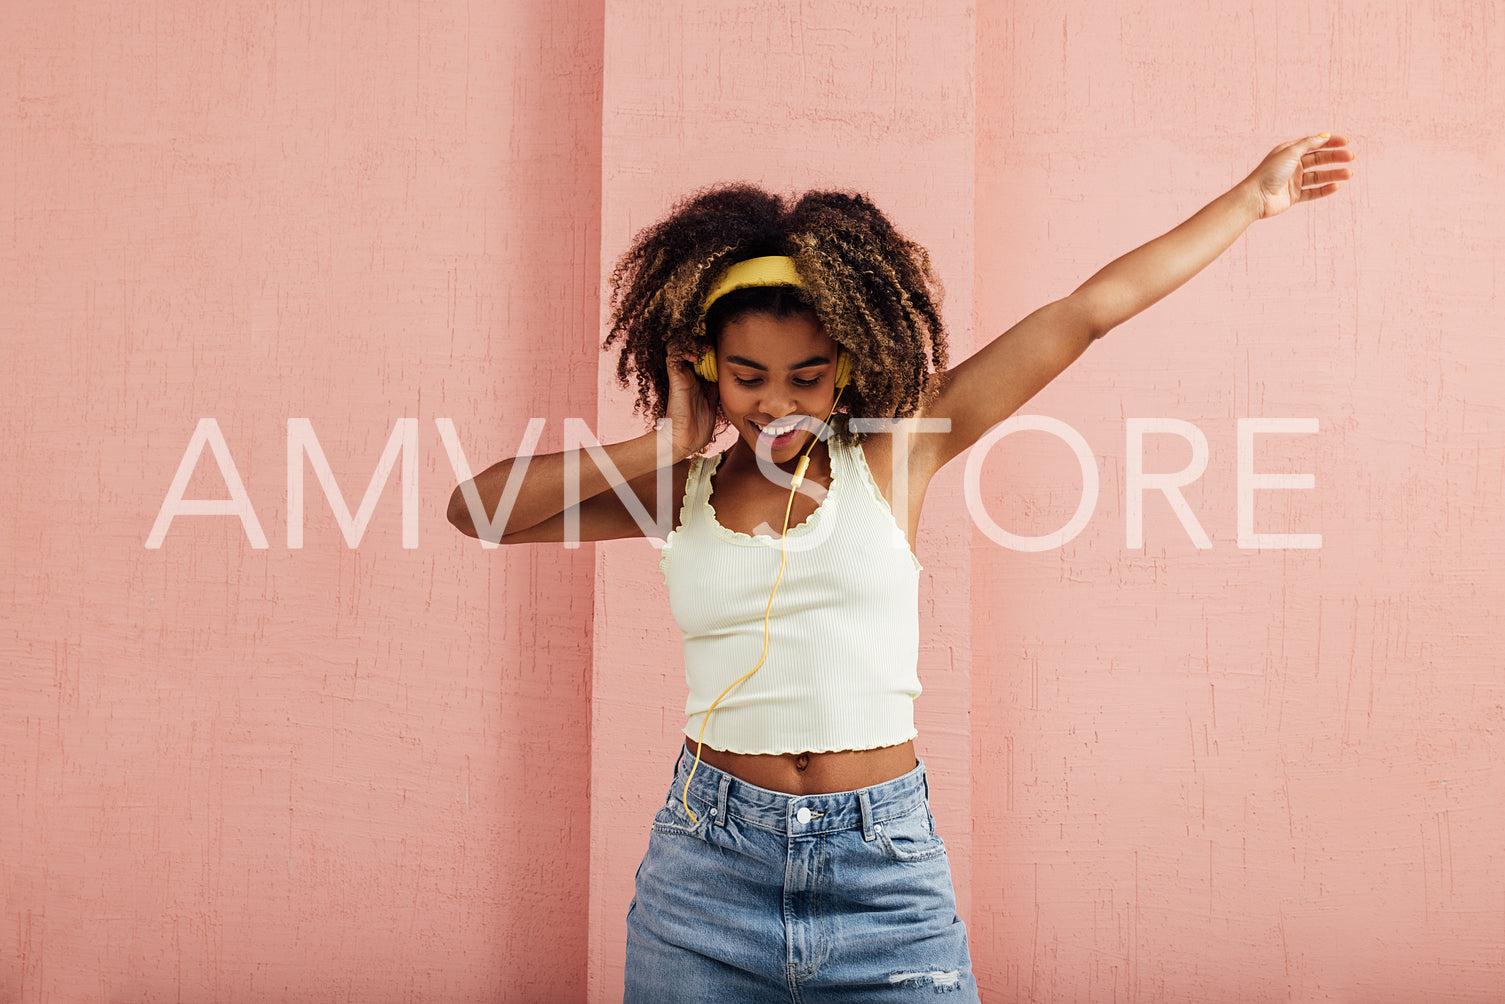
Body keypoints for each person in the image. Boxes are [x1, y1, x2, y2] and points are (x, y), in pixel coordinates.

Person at [447, 134, 1355, 1001]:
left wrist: (1250, 200)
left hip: (881, 869)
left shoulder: (894, 454)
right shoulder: (676, 489)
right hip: (705, 871)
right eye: (748, 376)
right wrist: (666, 441)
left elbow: (1083, 314)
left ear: (846, 364)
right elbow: (477, 510)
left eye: (806, 375)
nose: (777, 403)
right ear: (704, 368)